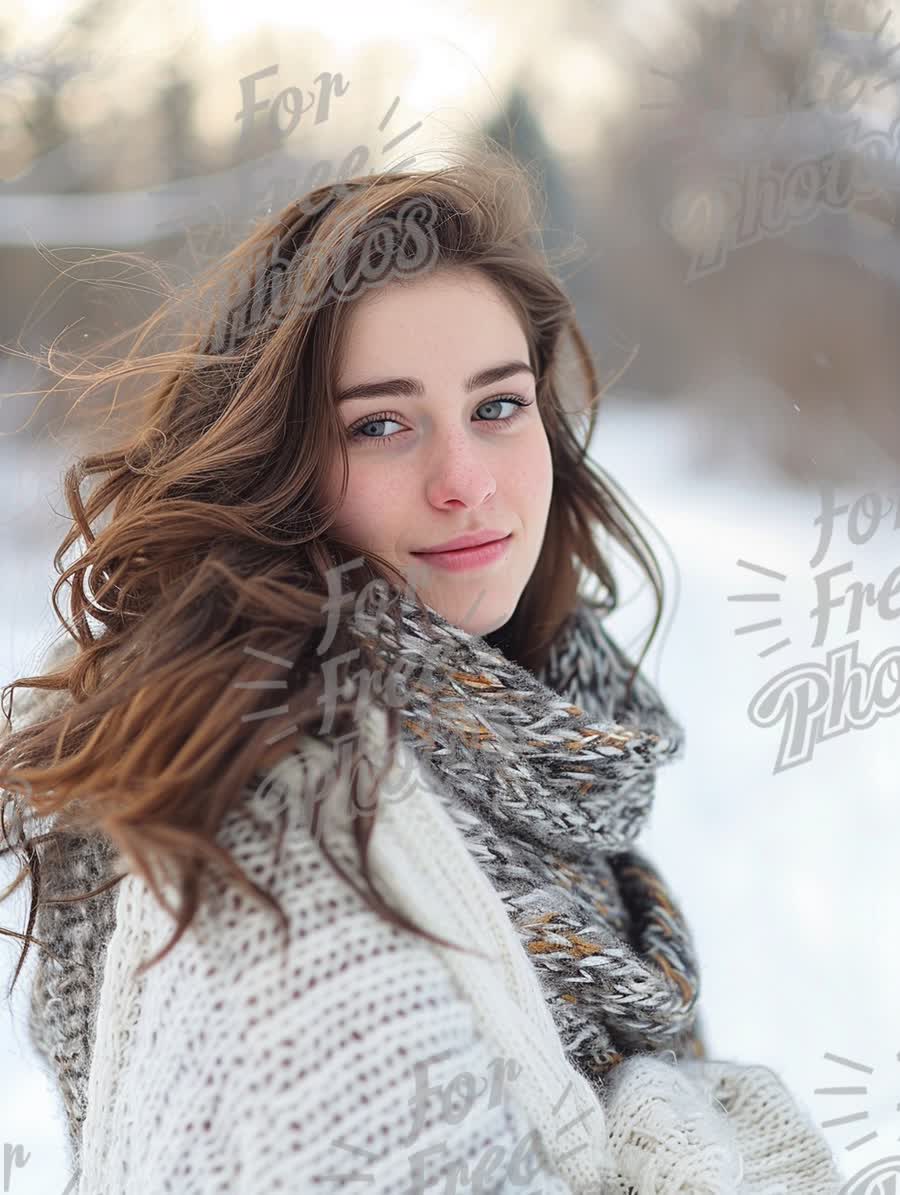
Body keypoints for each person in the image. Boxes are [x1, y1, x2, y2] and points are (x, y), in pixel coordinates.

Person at [0, 146, 844, 1193]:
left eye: (497, 406)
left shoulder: (545, 767)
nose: (465, 483)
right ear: (280, 467)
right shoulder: (286, 828)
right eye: (382, 424)